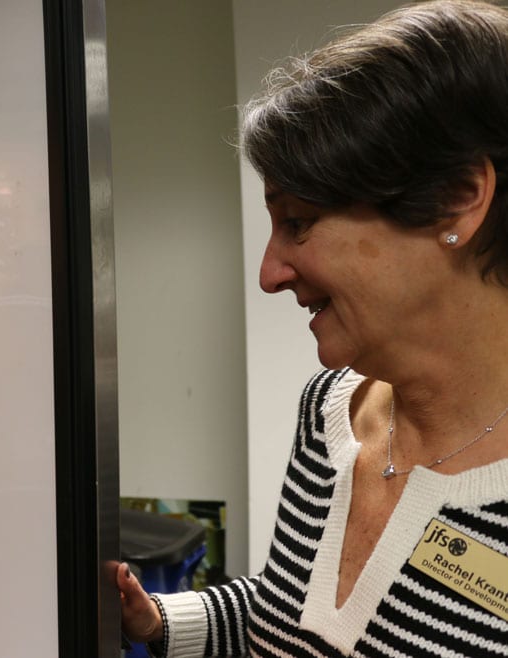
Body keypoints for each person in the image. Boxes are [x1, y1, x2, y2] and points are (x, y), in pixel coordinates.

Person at [117, 1, 508, 655]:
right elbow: (294, 607)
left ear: (458, 199)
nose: (269, 273)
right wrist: (155, 620)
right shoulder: (330, 410)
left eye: (298, 221)